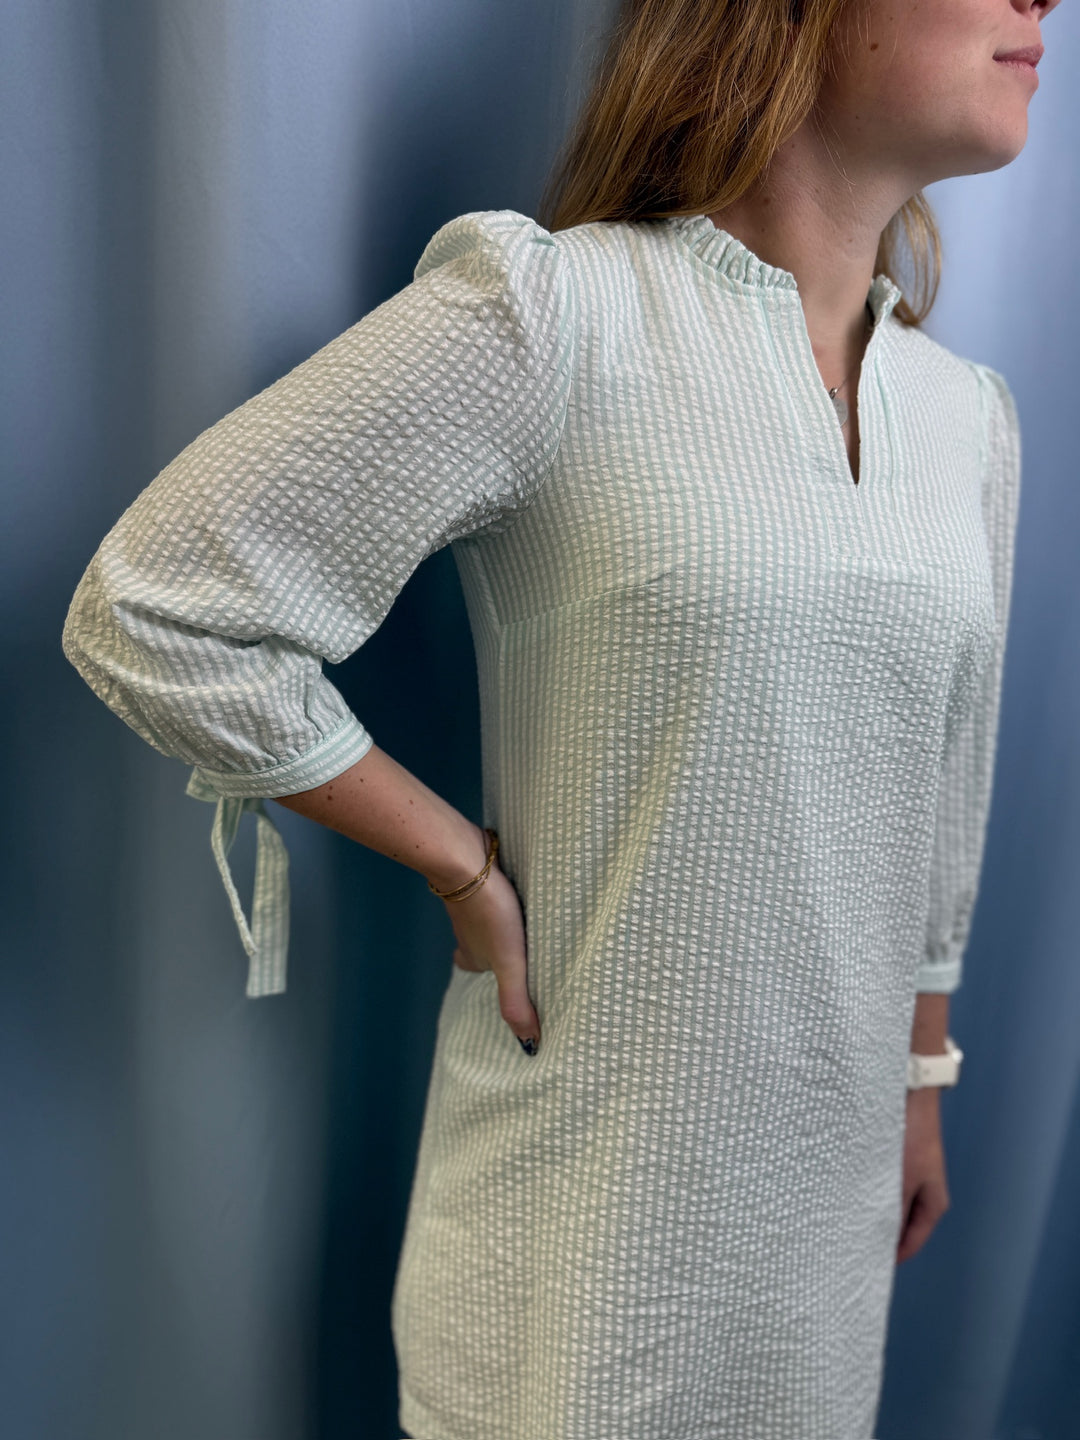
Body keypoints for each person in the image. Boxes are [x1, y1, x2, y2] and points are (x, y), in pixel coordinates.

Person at [61, 0, 1058, 1434]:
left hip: (825, 1262)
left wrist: (921, 1072)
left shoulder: (971, 422)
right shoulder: (561, 318)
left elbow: (943, 780)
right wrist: (459, 866)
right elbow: (157, 604)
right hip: (587, 1270)